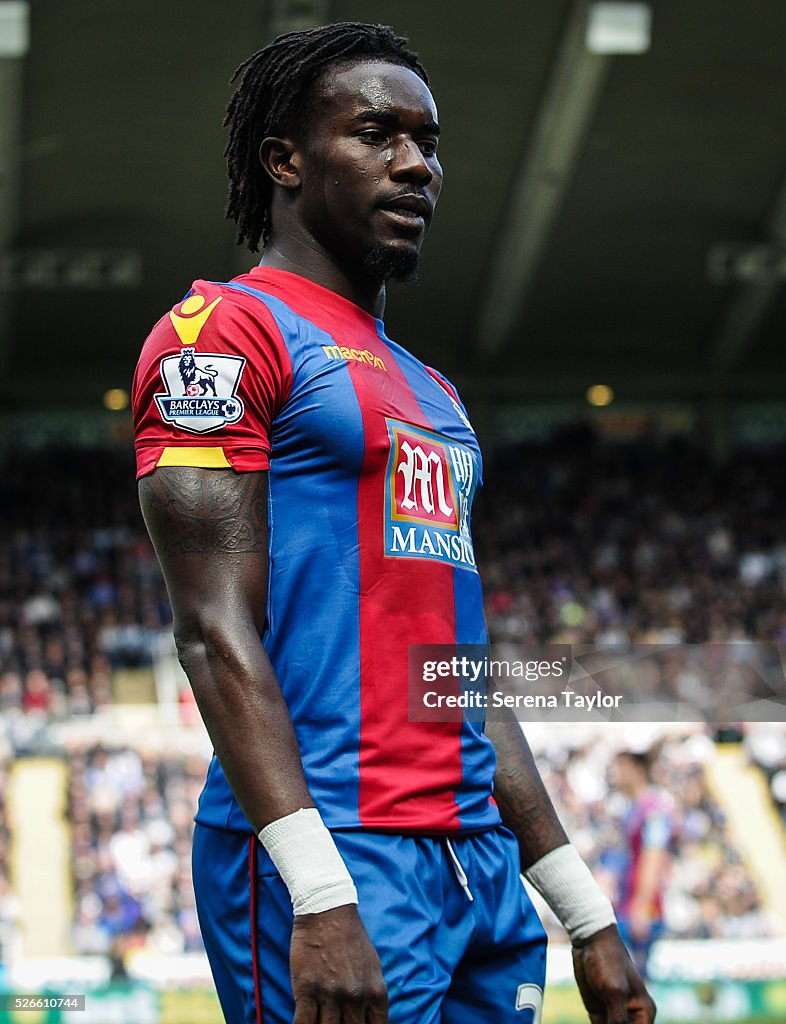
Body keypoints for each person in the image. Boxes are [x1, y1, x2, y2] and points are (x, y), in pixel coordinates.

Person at [132, 21, 656, 1024]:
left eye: (428, 142)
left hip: (474, 863)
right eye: (376, 133)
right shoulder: (220, 335)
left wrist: (584, 914)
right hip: (333, 848)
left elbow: (456, 669)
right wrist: (320, 896)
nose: (416, 164)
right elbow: (210, 630)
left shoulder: (434, 393)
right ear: (284, 159)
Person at [610, 751, 674, 976]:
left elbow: (653, 857)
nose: (613, 773)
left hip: (641, 908)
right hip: (628, 903)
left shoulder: (653, 810)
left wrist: (641, 906)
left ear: (637, 770)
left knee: (636, 985)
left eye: (620, 766)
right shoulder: (634, 808)